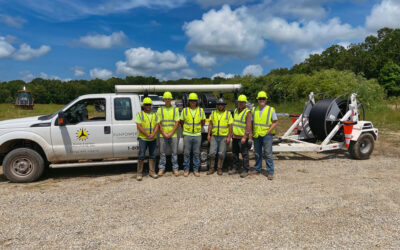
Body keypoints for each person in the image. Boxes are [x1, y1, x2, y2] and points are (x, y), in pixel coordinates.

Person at [251, 91, 279, 180]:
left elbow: (275, 122)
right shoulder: (254, 109)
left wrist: (268, 131)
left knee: (268, 153)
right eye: (260, 99)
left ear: (266, 100)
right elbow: (252, 122)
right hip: (257, 134)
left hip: (267, 135)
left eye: (263, 99)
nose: (261, 100)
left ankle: (270, 172)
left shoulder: (271, 109)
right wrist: (252, 132)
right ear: (258, 100)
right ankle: (257, 169)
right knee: (257, 153)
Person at [180, 93, 206, 177]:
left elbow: (203, 122)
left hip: (197, 134)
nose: (193, 102)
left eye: (194, 101)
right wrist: (187, 128)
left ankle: (196, 170)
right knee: (187, 153)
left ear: (197, 101)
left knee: (196, 153)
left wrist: (197, 128)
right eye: (191, 101)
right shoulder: (185, 110)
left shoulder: (200, 110)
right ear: (188, 102)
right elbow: (181, 121)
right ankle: (186, 170)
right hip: (187, 134)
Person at [135, 97, 159, 181]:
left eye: (149, 104)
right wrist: (147, 134)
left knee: (152, 155)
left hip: (153, 138)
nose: (148, 106)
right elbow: (138, 126)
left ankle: (152, 172)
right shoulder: (140, 114)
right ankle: (139, 173)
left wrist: (153, 134)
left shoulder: (154, 114)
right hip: (143, 138)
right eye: (146, 104)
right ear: (143, 106)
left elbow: (157, 125)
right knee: (141, 155)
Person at [156, 91, 180, 177]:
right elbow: (158, 123)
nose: (167, 100)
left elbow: (177, 122)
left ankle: (175, 168)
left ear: (171, 99)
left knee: (174, 153)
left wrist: (170, 133)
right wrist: (164, 133)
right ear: (163, 100)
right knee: (162, 153)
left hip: (173, 135)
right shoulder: (160, 109)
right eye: (165, 99)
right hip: (163, 135)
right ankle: (161, 169)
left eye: (168, 99)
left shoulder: (175, 109)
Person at [207, 97, 233, 175]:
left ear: (224, 105)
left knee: (221, 153)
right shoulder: (213, 113)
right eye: (219, 104)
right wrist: (208, 134)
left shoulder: (228, 114)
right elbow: (210, 124)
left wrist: (229, 137)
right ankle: (211, 169)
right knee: (211, 153)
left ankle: (219, 168)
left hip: (223, 137)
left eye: (222, 104)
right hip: (214, 136)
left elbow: (230, 126)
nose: (220, 106)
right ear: (217, 105)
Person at [232, 94, 252, 178]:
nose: (240, 103)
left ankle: (246, 169)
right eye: (239, 102)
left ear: (245, 103)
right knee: (235, 153)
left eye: (242, 102)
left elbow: (248, 125)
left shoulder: (247, 112)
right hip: (235, 136)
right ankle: (235, 168)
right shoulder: (236, 110)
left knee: (244, 154)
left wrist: (245, 136)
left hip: (242, 137)